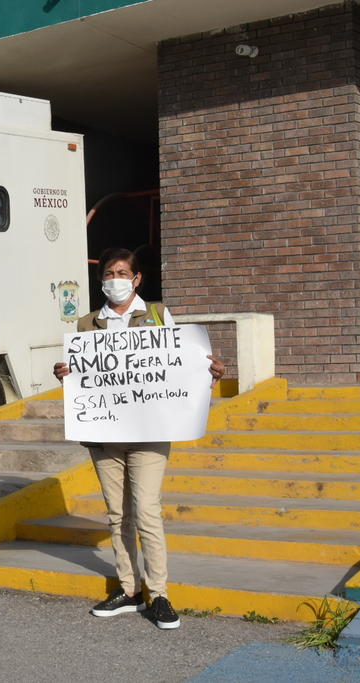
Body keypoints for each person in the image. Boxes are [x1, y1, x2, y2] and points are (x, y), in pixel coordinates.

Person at [53, 247, 225, 630]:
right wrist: (65, 372)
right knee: (118, 515)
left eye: (122, 272)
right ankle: (129, 590)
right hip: (104, 433)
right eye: (108, 273)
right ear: (101, 281)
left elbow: (181, 365)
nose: (114, 279)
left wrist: (209, 372)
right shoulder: (86, 325)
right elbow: (82, 376)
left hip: (150, 432)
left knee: (146, 509)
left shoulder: (158, 316)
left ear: (136, 279)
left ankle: (159, 593)